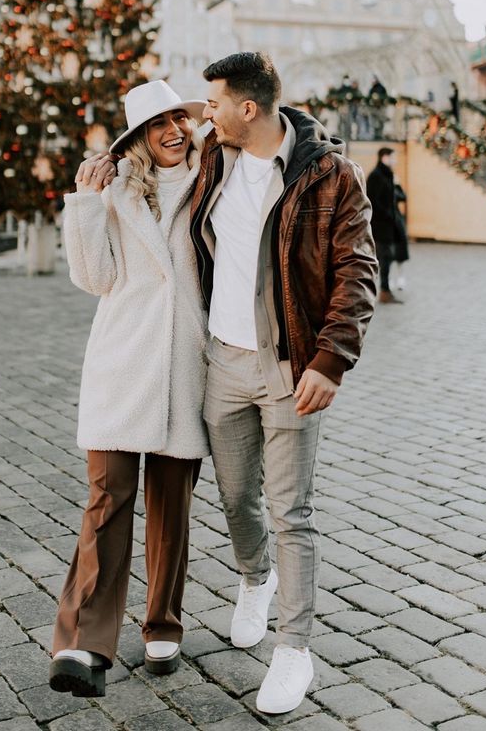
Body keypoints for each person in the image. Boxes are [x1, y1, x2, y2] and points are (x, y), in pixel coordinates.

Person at [191, 52, 377, 714]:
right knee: (237, 496)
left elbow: (357, 275)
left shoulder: (331, 176)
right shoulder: (213, 158)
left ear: (248, 108)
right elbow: (157, 145)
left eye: (214, 102)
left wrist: (331, 361)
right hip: (222, 361)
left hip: (291, 366)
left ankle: (295, 650)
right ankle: (253, 580)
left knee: (290, 510)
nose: (204, 113)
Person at [49, 80, 210, 698]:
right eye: (158, 123)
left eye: (179, 118)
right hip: (122, 362)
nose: (172, 130)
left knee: (172, 509)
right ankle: (83, 643)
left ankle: (162, 624)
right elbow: (95, 277)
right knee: (107, 502)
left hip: (187, 365)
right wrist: (86, 203)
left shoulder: (211, 185)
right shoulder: (115, 193)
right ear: (138, 137)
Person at [366, 147, 401, 304]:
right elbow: (372, 201)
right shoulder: (376, 176)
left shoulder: (387, 175)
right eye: (392, 157)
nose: (395, 160)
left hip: (387, 225)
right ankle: (383, 292)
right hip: (380, 225)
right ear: (384, 157)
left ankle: (383, 290)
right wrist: (387, 215)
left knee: (386, 257)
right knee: (384, 258)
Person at [391, 181, 409, 290]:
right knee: (386, 254)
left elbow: (403, 197)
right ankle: (388, 279)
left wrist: (398, 185)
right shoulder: (381, 185)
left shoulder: (395, 188)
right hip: (385, 224)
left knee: (400, 251)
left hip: (397, 222)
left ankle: (400, 278)